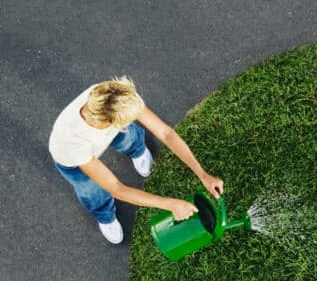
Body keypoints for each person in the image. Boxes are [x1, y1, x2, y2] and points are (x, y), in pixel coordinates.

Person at [49, 76, 223, 244]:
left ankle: (137, 150)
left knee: (127, 137)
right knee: (91, 189)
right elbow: (117, 189)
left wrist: (203, 174)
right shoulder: (72, 143)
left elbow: (165, 133)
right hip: (71, 161)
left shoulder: (115, 95)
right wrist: (170, 204)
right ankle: (105, 215)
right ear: (108, 123)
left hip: (110, 129)